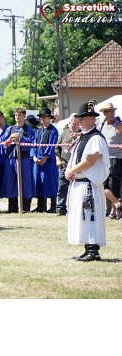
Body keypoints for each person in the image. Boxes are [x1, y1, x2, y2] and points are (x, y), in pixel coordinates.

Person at [65, 100, 110, 262]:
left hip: (89, 184)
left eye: (83, 118)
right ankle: (87, 248)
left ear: (92, 119)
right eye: (80, 118)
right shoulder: (84, 137)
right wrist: (70, 171)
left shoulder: (95, 137)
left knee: (89, 216)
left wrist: (72, 170)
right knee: (83, 217)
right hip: (80, 182)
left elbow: (90, 160)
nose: (80, 121)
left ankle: (93, 250)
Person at [1, 108, 36, 213]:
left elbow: (31, 144)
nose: (17, 117)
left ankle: (25, 206)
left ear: (24, 117)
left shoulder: (28, 129)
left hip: (24, 159)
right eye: (16, 115)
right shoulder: (10, 129)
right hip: (12, 158)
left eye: (20, 115)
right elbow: (4, 144)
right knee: (11, 182)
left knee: (25, 182)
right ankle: (12, 207)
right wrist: (10, 139)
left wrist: (21, 137)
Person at [97, 102, 122, 220]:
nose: (111, 114)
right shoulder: (101, 125)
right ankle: (117, 204)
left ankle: (113, 211)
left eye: (113, 111)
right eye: (109, 112)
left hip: (116, 159)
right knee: (102, 184)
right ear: (104, 113)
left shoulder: (118, 125)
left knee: (114, 185)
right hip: (104, 158)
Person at [31, 108, 59, 213]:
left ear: (49, 118)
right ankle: (41, 205)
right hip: (37, 160)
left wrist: (44, 159)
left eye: (44, 116)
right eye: (41, 117)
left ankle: (52, 206)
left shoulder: (53, 131)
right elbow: (33, 145)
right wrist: (34, 157)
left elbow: (52, 146)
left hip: (48, 161)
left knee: (50, 182)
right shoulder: (38, 131)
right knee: (38, 182)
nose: (42, 119)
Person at [55, 113, 81, 216]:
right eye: (73, 124)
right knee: (62, 188)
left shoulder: (83, 134)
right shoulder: (64, 133)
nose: (75, 126)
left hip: (77, 167)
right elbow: (57, 148)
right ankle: (60, 208)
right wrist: (58, 160)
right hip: (64, 165)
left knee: (76, 189)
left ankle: (75, 208)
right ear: (69, 123)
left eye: (77, 124)